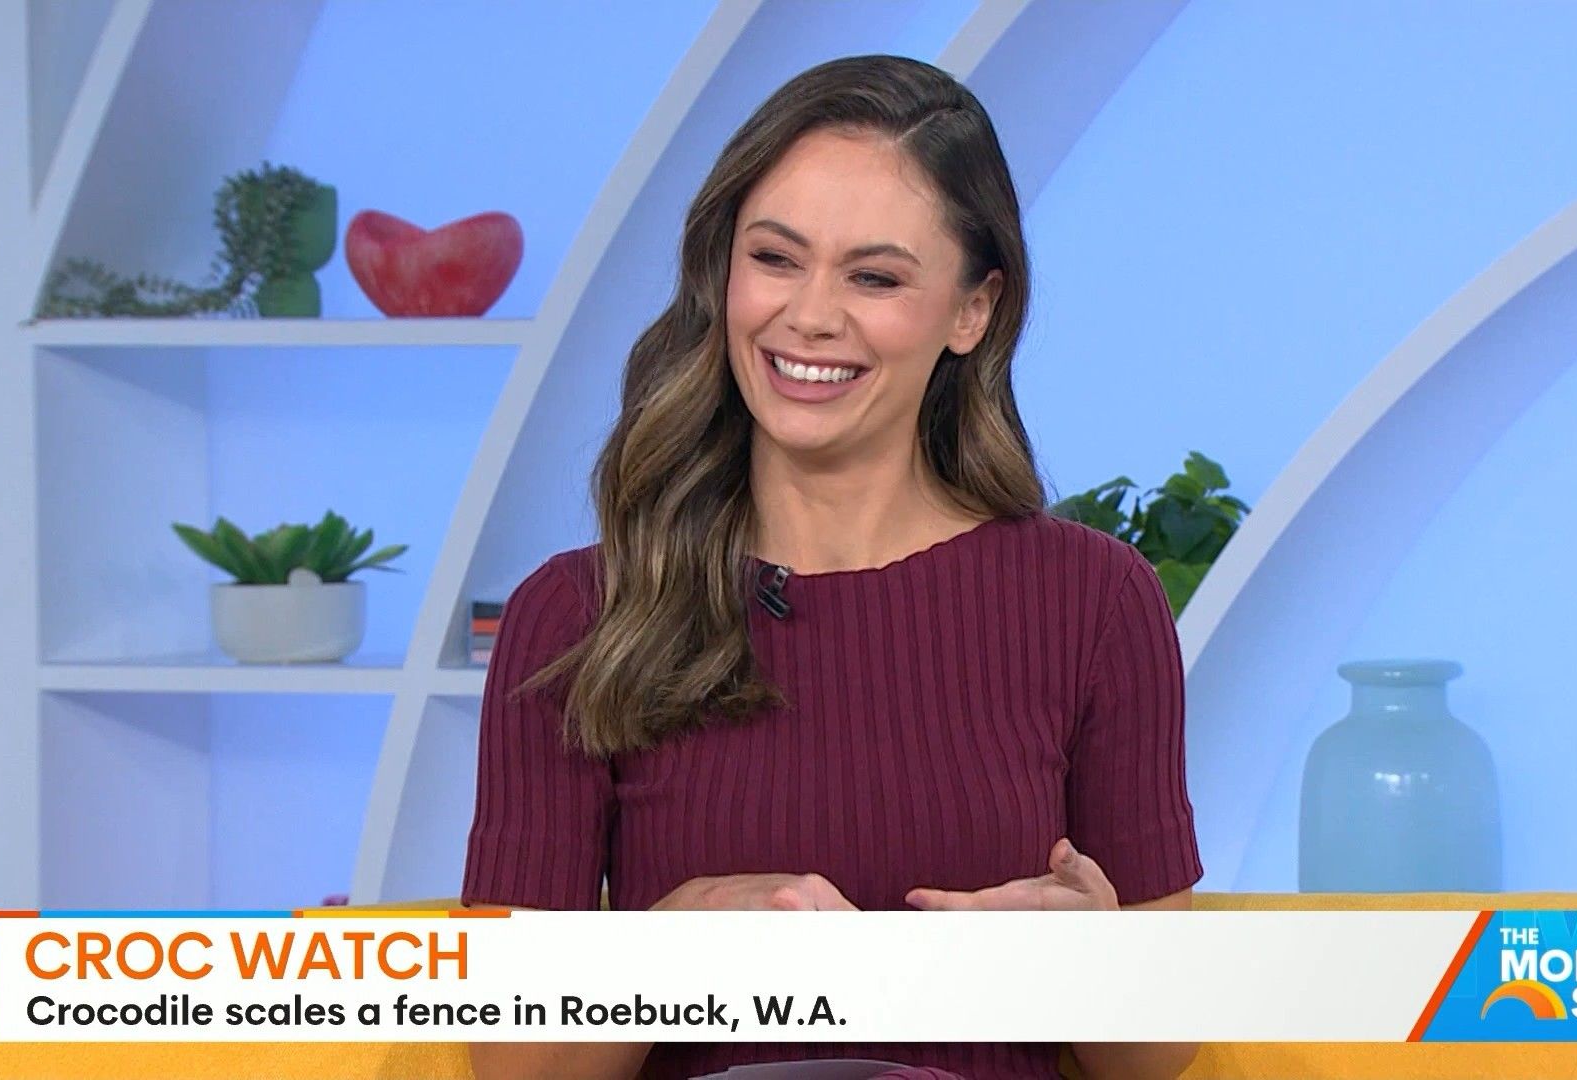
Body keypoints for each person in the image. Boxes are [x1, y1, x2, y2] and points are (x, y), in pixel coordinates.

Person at [462, 54, 1202, 1080]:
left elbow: (1156, 1058)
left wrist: (1090, 964)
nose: (809, 316)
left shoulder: (1096, 602)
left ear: (974, 310)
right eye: (775, 258)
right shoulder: (575, 616)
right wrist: (670, 945)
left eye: (875, 277)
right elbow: (511, 1064)